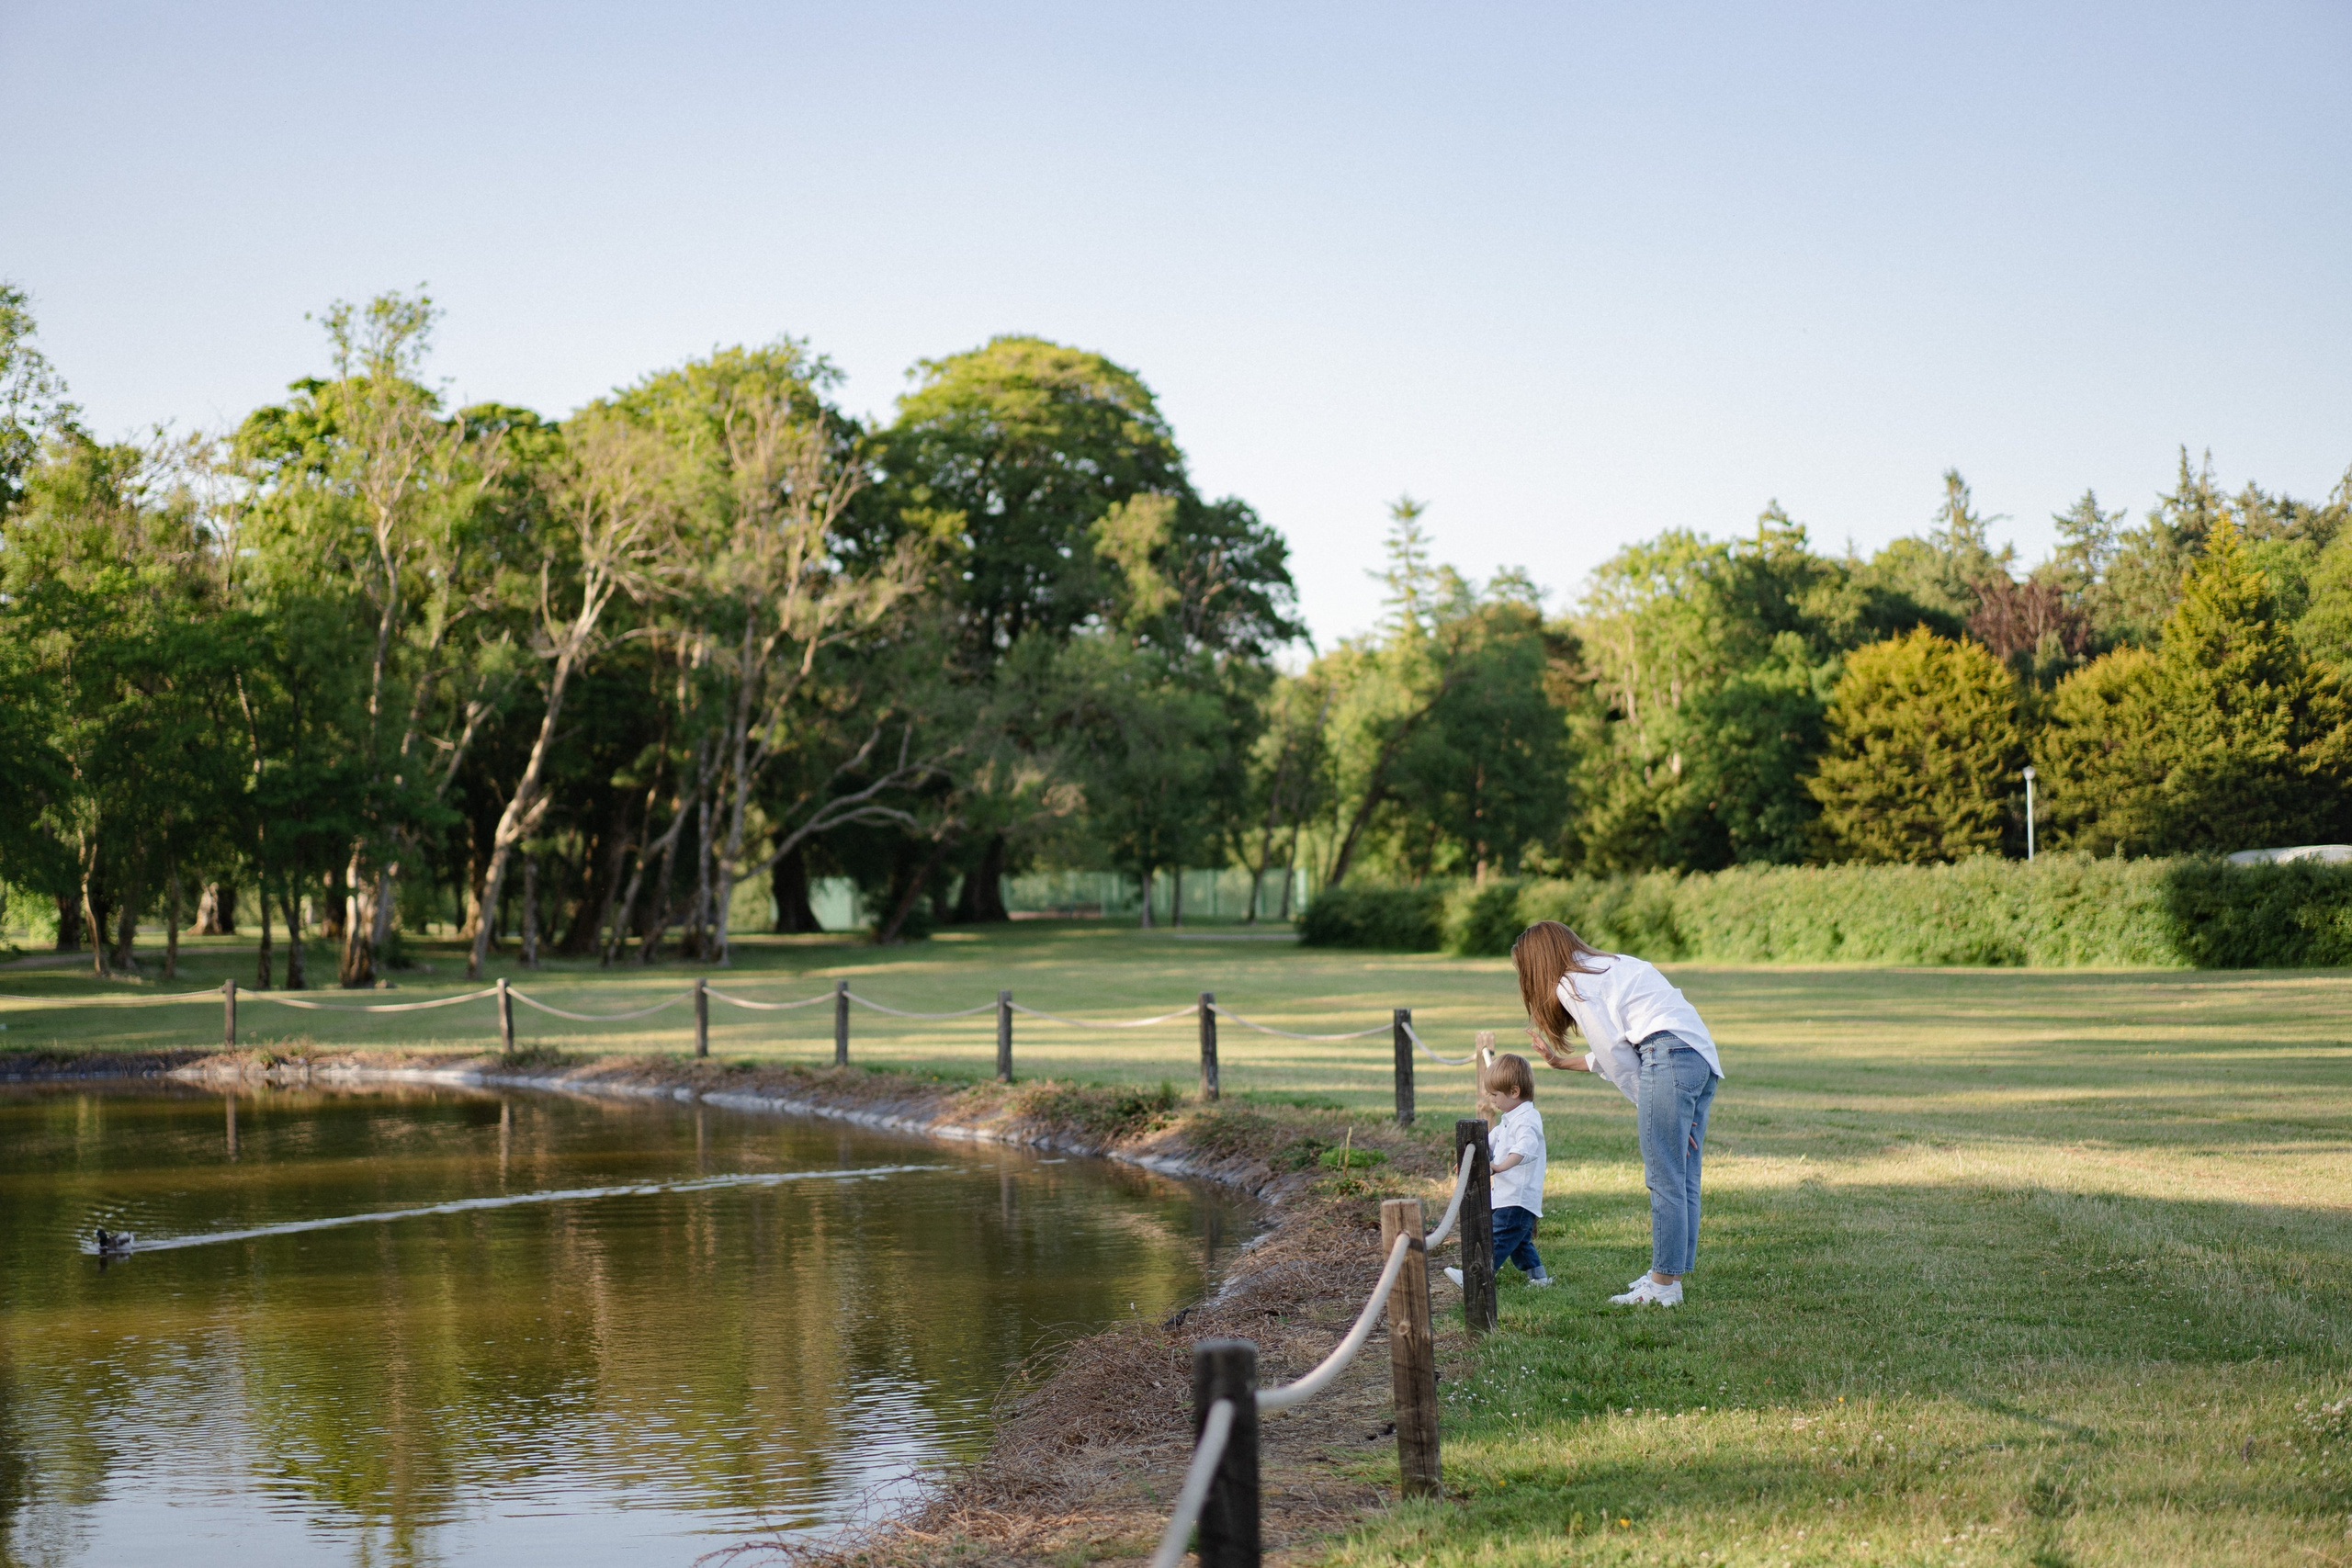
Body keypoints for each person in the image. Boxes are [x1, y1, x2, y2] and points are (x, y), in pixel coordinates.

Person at [1512, 919, 1724, 1307]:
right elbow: (1622, 1045)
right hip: (1699, 1058)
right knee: (1682, 1177)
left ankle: (1663, 1287)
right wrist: (1560, 1062)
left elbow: (1616, 1055)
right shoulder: (1612, 964)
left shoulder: (1571, 984)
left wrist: (1654, 1109)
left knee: (1664, 1178)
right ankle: (1670, 1275)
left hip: (1668, 1057)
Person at [1444, 1050, 1550, 1289]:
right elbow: (1491, 1140)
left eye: (1495, 1095)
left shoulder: (1527, 1120)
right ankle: (1539, 1278)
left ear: (1514, 1091)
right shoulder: (1510, 1118)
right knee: (1520, 1241)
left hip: (1517, 1196)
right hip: (1508, 1195)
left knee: (1497, 1238)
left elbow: (1525, 1148)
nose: (1492, 1100)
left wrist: (1500, 1167)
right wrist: (1469, 1159)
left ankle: (1474, 1276)